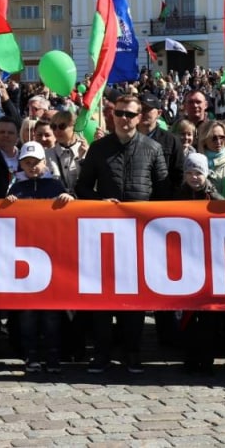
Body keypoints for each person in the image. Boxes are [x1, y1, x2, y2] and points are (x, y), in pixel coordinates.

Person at [75, 94, 168, 374]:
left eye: (130, 114)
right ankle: (102, 353)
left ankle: (131, 352)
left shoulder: (153, 148)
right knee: (103, 298)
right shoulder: (99, 148)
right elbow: (82, 187)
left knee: (134, 298)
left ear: (140, 117)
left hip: (140, 235)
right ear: (112, 115)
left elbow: (163, 193)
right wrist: (98, 203)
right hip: (104, 233)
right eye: (120, 113)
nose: (124, 119)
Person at [1, 141, 74, 374]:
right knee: (28, 312)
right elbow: (3, 220)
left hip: (51, 258)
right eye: (27, 163)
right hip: (24, 258)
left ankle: (53, 355)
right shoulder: (16, 187)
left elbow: (71, 208)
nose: (32, 167)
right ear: (21, 164)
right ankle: (30, 354)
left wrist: (68, 199)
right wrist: (8, 204)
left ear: (45, 162)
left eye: (36, 162)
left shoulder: (54, 185)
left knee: (52, 313)